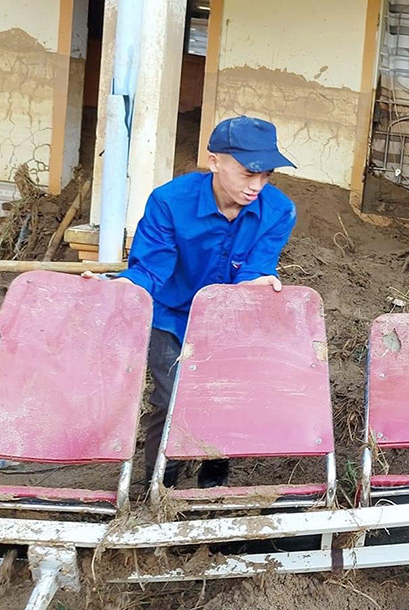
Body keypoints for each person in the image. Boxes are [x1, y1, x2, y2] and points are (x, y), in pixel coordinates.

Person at [88, 116, 298, 489]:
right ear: (214, 161)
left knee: (224, 395)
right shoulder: (169, 202)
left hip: (231, 316)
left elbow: (255, 270)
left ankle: (213, 477)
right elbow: (150, 270)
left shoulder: (279, 210)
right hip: (171, 315)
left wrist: (258, 283)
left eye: (266, 175)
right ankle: (159, 482)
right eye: (248, 173)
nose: (257, 186)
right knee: (170, 396)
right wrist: (120, 287)